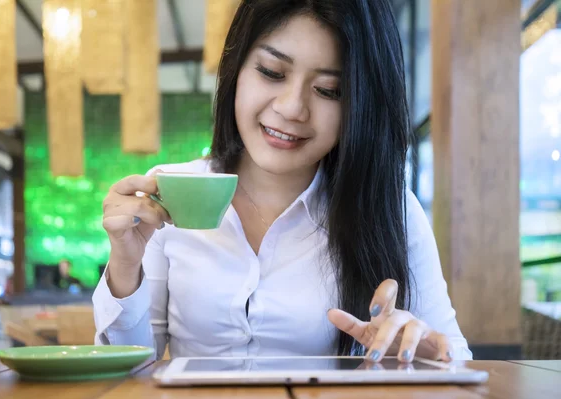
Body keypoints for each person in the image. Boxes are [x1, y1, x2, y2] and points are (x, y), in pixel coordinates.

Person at [93, 0, 472, 362]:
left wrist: (420, 356)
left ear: (360, 106)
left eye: (329, 91)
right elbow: (132, 372)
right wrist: (126, 264)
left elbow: (455, 359)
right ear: (236, 68)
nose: (292, 108)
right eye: (272, 72)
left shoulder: (392, 210)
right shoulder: (172, 191)